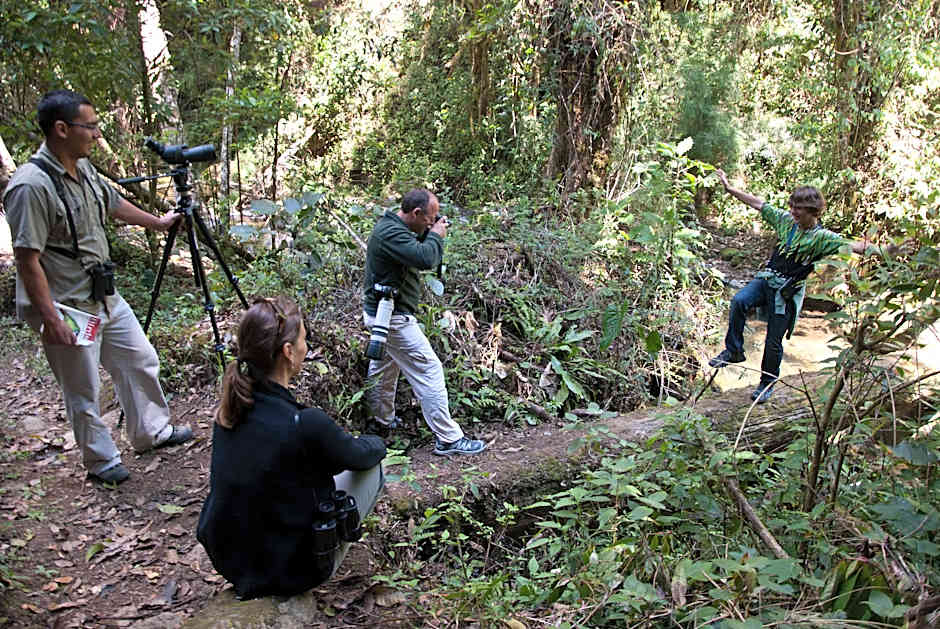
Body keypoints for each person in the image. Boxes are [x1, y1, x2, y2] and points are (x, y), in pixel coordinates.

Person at [3, 89, 192, 485]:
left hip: (105, 297)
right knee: (82, 388)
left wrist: (157, 222)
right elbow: (27, 259)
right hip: (68, 308)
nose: (96, 134)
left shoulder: (83, 168)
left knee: (139, 359)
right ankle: (101, 460)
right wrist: (50, 318)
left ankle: (151, 432)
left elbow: (112, 202)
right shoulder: (31, 186)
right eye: (89, 126)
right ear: (60, 129)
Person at [197, 296, 386, 600]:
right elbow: (363, 455)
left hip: (233, 563)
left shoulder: (229, 412)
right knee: (374, 468)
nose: (306, 347)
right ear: (287, 351)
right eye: (303, 340)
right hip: (291, 571)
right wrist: (375, 441)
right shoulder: (304, 423)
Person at [709, 169, 876, 403]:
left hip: (787, 293)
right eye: (792, 206)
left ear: (812, 211)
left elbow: (855, 246)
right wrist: (729, 189)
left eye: (798, 208)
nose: (793, 211)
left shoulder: (823, 238)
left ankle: (767, 383)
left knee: (773, 341)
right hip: (767, 279)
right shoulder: (786, 222)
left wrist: (887, 252)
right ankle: (734, 350)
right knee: (739, 300)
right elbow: (758, 203)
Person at [362, 189, 485, 456]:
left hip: (386, 315)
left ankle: (380, 421)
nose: (432, 223)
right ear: (415, 213)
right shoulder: (390, 233)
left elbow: (418, 247)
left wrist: (430, 231)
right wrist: (437, 236)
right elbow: (425, 257)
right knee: (429, 370)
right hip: (392, 318)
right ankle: (449, 438)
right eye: (429, 219)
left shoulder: (396, 227)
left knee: (383, 370)